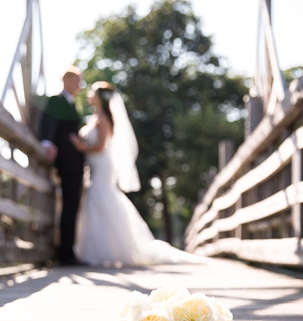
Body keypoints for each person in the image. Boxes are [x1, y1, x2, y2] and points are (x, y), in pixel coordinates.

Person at [70, 81, 207, 266]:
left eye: (93, 92)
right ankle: (99, 251)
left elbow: (101, 146)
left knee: (101, 199)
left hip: (101, 166)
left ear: (101, 98)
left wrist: (81, 147)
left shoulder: (103, 119)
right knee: (100, 203)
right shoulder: (95, 117)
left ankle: (105, 252)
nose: (89, 94)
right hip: (96, 168)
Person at [39, 66, 86, 266]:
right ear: (67, 80)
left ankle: (68, 250)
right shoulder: (56, 101)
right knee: (69, 205)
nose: (80, 86)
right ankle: (65, 254)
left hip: (75, 163)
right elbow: (49, 123)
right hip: (67, 162)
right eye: (77, 81)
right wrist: (47, 143)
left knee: (72, 205)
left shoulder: (72, 103)